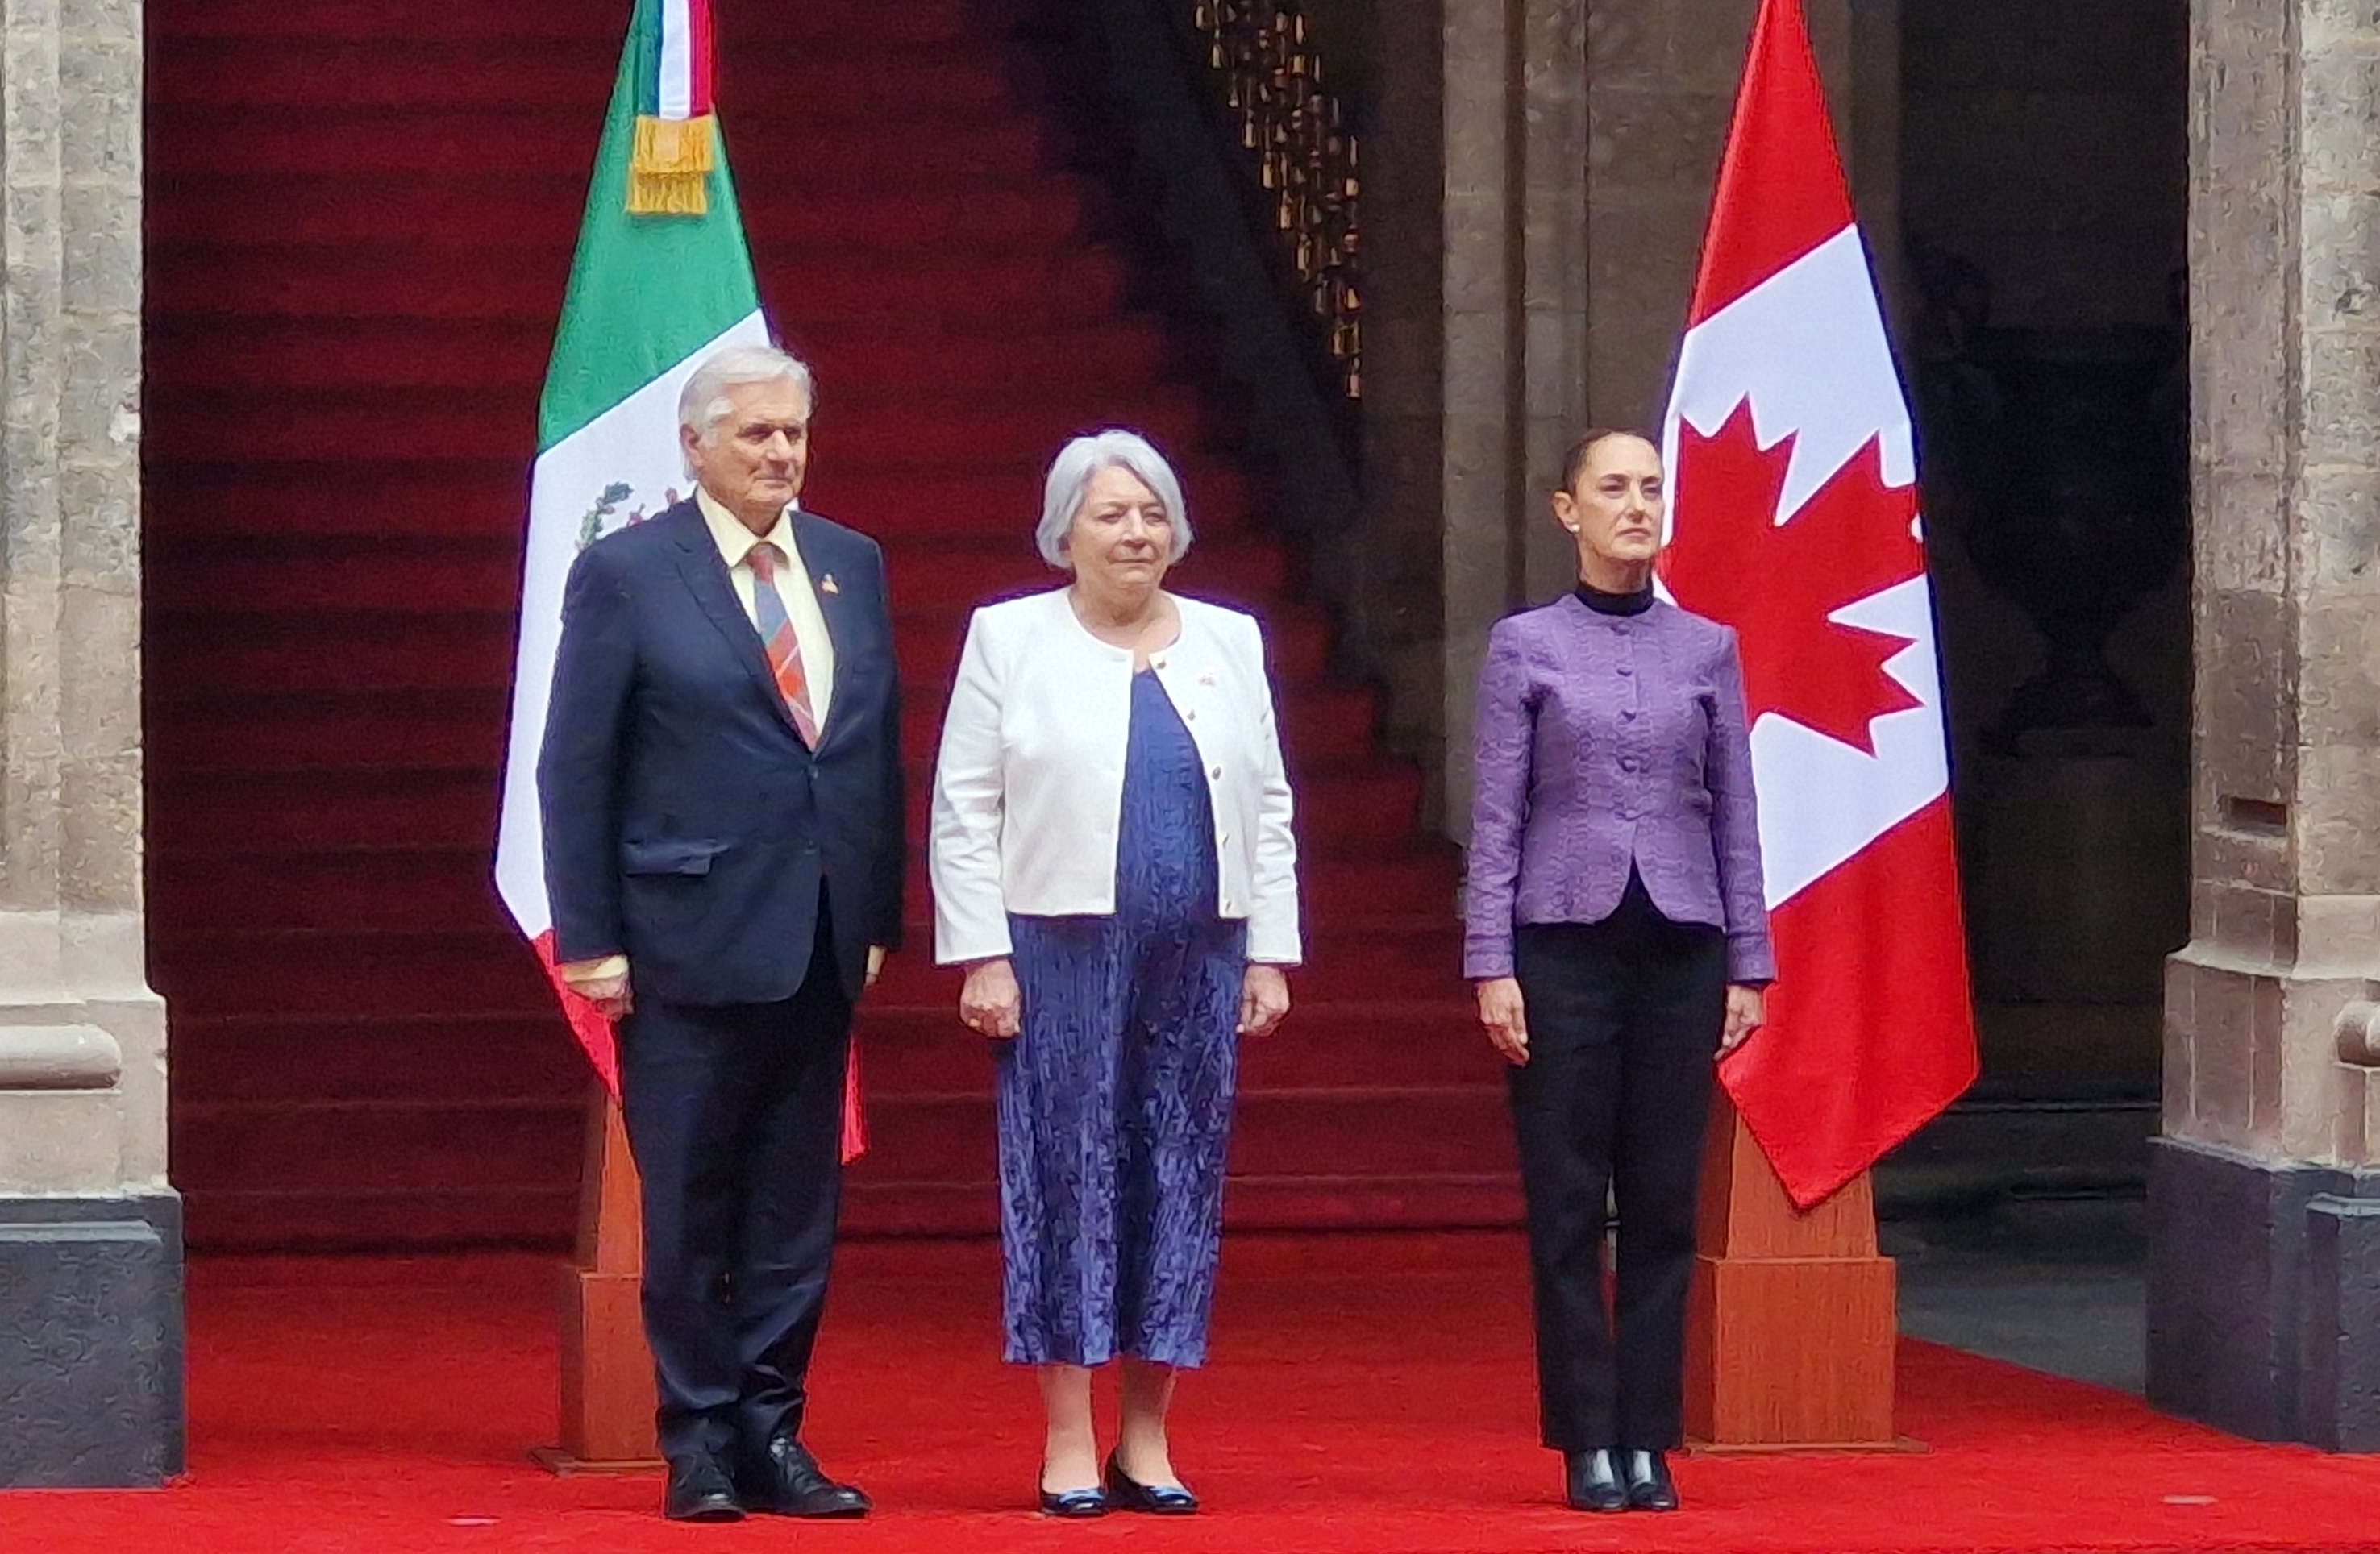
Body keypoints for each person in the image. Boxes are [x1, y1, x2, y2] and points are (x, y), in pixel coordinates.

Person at [538, 343, 904, 1523]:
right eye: (756, 433)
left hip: (821, 936)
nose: (781, 453)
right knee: (693, 1205)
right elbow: (576, 764)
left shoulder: (850, 563)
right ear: (694, 445)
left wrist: (877, 911)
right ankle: (696, 1442)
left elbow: (870, 750)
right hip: (682, 940)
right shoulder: (628, 572)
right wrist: (590, 938)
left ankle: (773, 1435)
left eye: (794, 431)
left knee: (795, 1211)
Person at [928, 429, 1300, 1519]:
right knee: (1067, 1176)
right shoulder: (1007, 637)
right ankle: (1067, 1439)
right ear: (1065, 533)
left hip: (1200, 952)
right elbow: (964, 806)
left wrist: (1270, 950)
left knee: (1179, 1174)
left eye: (1152, 514)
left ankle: (1147, 1436)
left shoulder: (1231, 637)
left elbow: (1270, 804)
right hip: (1059, 953)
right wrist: (983, 954)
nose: (1136, 532)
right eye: (1111, 514)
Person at [1463, 428, 1774, 1515]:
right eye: (1613, 489)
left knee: (1662, 1200)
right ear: (1569, 510)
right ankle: (1584, 1436)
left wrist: (1750, 961)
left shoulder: (1708, 648)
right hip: (1561, 943)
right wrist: (1490, 960)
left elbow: (1736, 811)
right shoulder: (1526, 645)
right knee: (1565, 1200)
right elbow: (1497, 813)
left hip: (1683, 942)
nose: (1636, 506)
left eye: (1650, 488)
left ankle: (1649, 1434)